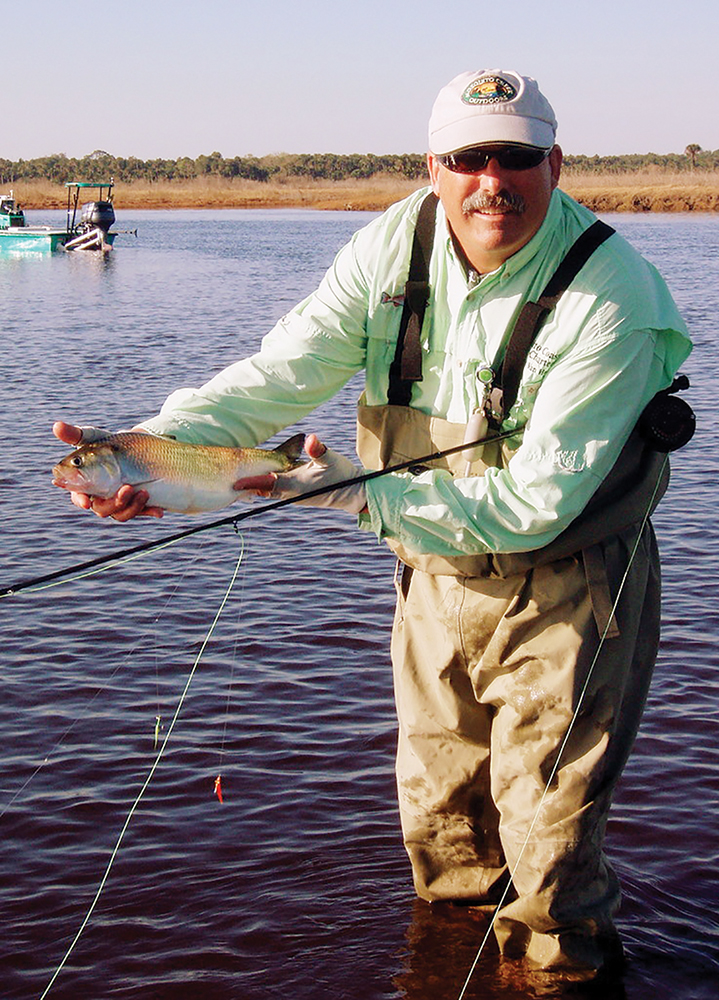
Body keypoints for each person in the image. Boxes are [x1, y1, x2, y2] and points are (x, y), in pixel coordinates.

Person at [54, 69, 692, 976]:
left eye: (513, 157)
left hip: (569, 588)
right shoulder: (393, 241)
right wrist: (145, 452)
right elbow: (281, 374)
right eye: (466, 159)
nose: (490, 181)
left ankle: (558, 977)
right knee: (440, 830)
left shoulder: (615, 298)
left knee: (548, 857)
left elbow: (534, 504)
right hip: (430, 577)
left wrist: (356, 493)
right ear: (432, 167)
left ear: (555, 163)